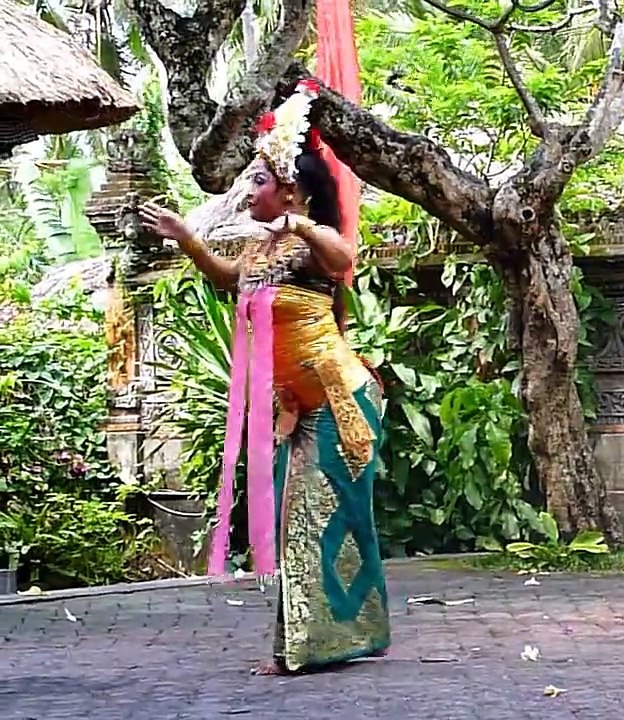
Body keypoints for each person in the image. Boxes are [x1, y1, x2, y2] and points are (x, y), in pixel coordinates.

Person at [139, 79, 391, 676]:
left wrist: (299, 227)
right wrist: (188, 239)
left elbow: (341, 257)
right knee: (292, 522)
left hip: (341, 403)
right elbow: (230, 279)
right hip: (296, 409)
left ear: (291, 191)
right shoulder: (259, 251)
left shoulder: (307, 242)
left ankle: (311, 646)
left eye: (258, 179)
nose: (246, 190)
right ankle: (328, 638)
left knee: (316, 522)